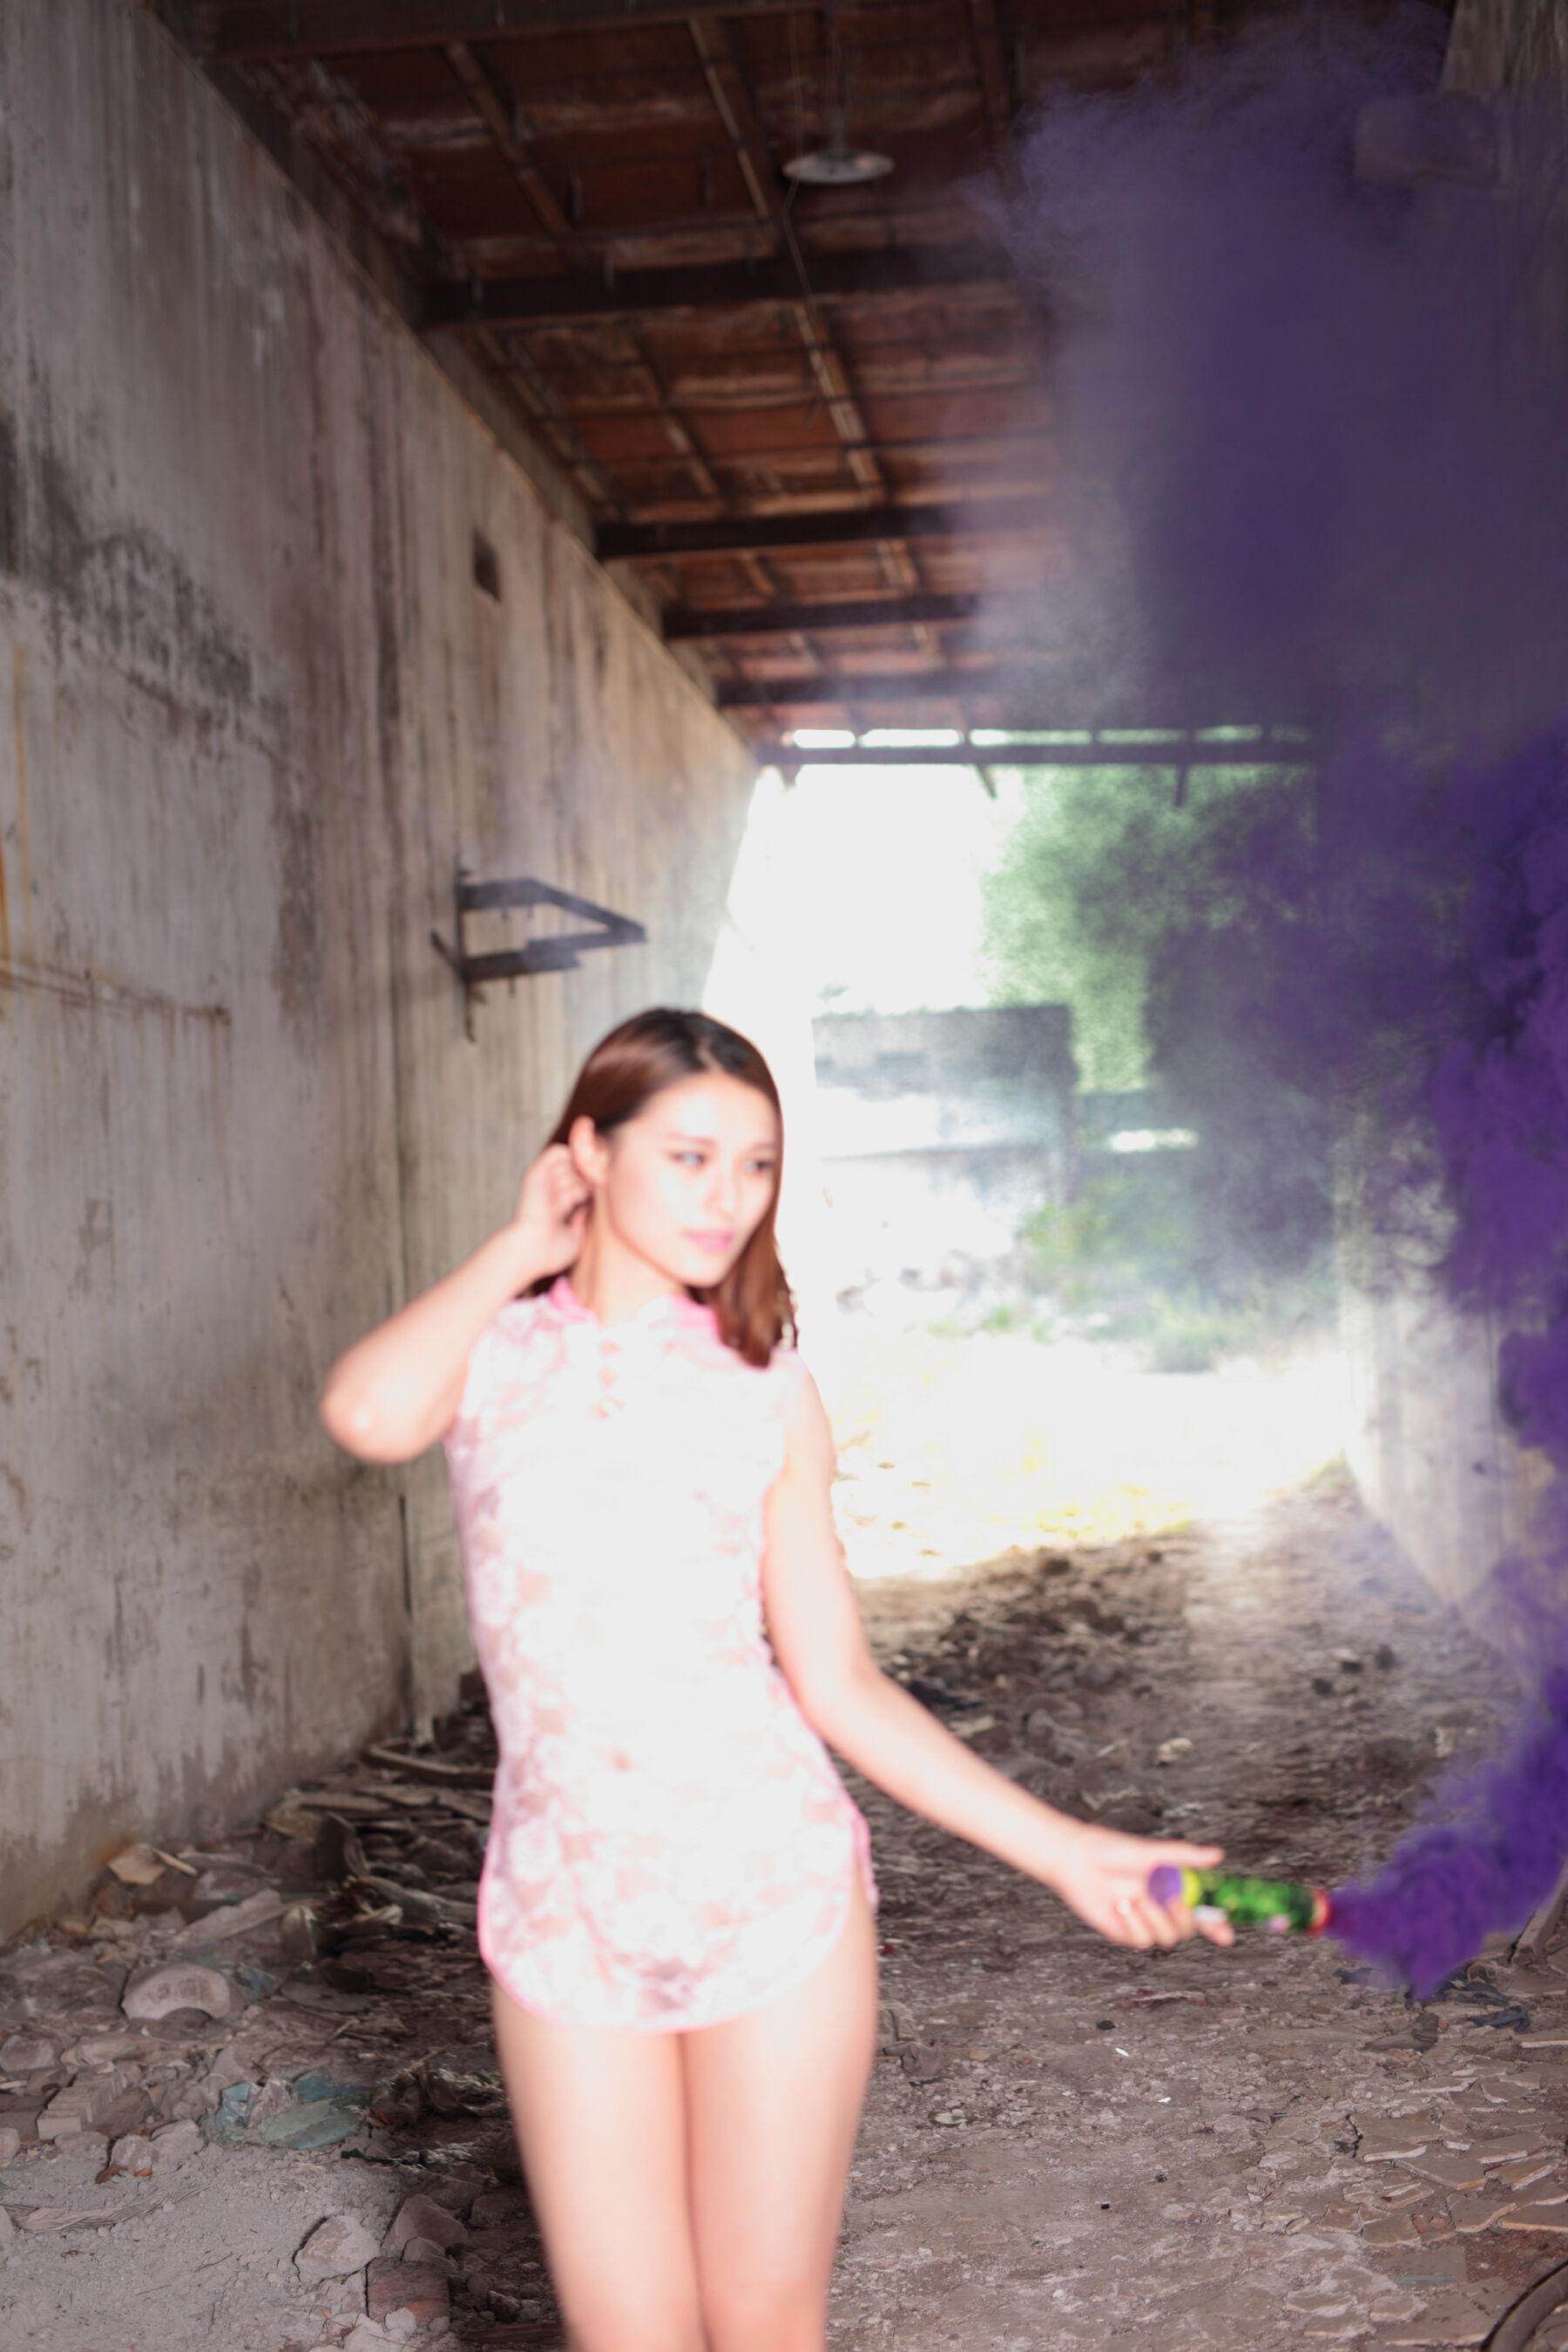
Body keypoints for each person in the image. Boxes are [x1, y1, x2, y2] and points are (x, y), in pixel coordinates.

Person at [319, 1006, 1233, 2352]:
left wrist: (1066, 1851)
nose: (728, 1198)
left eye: (755, 1165)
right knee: (628, 2334)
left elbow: (842, 1683)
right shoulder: (494, 1358)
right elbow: (365, 1413)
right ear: (590, 1152)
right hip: (563, 1915)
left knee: (762, 2323)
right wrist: (523, 1244)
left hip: (769, 1895)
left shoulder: (764, 1388)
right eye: (689, 1157)